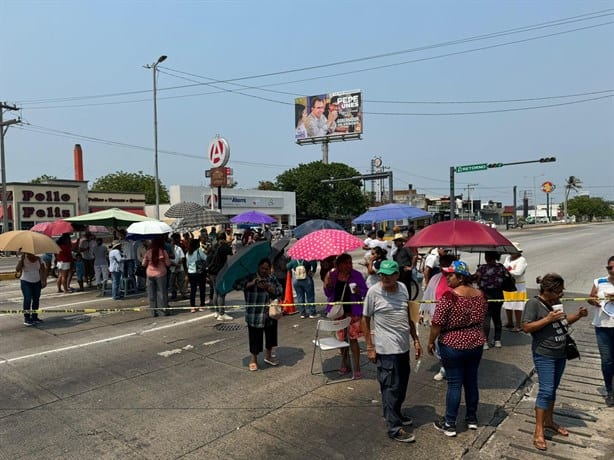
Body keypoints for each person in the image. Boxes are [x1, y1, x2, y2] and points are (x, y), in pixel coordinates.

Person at [522, 273, 588, 451]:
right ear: (547, 290)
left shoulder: (555, 303)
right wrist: (547, 319)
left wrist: (578, 315)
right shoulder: (534, 303)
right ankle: (538, 431)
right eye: (558, 291)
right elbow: (526, 327)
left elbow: (563, 323)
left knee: (552, 389)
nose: (561, 295)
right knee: (545, 390)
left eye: (562, 291)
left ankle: (549, 421)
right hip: (544, 354)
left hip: (560, 353)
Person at [362, 260, 422, 443]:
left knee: (401, 385)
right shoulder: (373, 292)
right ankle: (395, 428)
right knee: (391, 387)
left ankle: (394, 413)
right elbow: (365, 320)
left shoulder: (403, 288)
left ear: (397, 275)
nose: (385, 277)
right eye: (382, 274)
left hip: (402, 347)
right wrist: (370, 347)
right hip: (385, 350)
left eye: (389, 274)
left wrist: (416, 339)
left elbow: (408, 316)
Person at [428, 260, 488, 438]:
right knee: (471, 381)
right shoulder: (480, 295)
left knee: (454, 383)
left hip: (453, 343)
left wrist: (431, 341)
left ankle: (450, 423)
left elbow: (436, 324)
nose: (447, 278)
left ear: (461, 277)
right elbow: (483, 315)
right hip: (475, 342)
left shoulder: (449, 297)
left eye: (450, 275)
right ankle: (471, 418)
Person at [324, 253, 368, 379]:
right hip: (339, 313)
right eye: (346, 263)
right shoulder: (333, 275)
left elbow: (366, 291)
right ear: (339, 265)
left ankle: (357, 367)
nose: (349, 265)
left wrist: (359, 291)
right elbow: (328, 293)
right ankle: (345, 363)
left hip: (353, 312)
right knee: (341, 340)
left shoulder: (356, 275)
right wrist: (328, 284)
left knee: (353, 340)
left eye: (350, 262)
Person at [419, 253, 456, 381]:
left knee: (452, 345)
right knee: (439, 344)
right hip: (437, 316)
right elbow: (428, 295)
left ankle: (453, 369)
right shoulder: (435, 278)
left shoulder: (459, 279)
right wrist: (422, 312)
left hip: (454, 319)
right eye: (442, 264)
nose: (443, 267)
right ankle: (443, 367)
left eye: (447, 265)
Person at [243, 258, 283, 371]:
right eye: (262, 268)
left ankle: (269, 356)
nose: (265, 271)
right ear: (258, 267)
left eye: (267, 268)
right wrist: (253, 283)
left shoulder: (271, 278)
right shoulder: (251, 276)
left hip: (269, 313)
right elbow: (239, 286)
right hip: (254, 314)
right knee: (255, 337)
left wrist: (269, 288)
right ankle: (253, 359)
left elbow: (280, 290)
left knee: (271, 335)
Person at [587, 256, 614, 407]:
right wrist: (594, 301)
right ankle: (609, 390)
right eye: (609, 268)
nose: (612, 270)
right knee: (607, 360)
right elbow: (590, 298)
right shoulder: (599, 281)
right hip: (603, 326)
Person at [476, 251, 508, 349]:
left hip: (486, 294)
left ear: (486, 257)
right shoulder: (501, 267)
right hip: (498, 294)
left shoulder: (482, 268)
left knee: (486, 317)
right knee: (497, 317)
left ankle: (485, 341)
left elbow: (476, 279)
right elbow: (506, 278)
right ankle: (497, 340)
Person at [141, 236, 171, 317]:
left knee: (151, 294)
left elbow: (143, 264)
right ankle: (163, 312)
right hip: (161, 274)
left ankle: (153, 312)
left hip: (150, 274)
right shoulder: (163, 251)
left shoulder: (148, 252)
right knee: (161, 293)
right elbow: (168, 264)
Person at [16, 252, 47, 326]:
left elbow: (43, 270)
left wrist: (43, 280)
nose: (30, 254)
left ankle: (34, 317)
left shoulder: (39, 259)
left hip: (37, 282)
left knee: (36, 299)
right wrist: (21, 260)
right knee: (28, 299)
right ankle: (27, 318)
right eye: (28, 253)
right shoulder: (23, 258)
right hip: (26, 281)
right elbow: (17, 269)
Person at [502, 243, 528, 332]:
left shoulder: (522, 260)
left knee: (518, 306)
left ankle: (518, 325)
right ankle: (510, 322)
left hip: (518, 285)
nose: (511, 253)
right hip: (508, 284)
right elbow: (504, 267)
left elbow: (518, 273)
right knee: (508, 304)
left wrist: (507, 272)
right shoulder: (508, 258)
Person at [208, 232, 234, 321]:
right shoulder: (225, 247)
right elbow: (231, 257)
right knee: (221, 293)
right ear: (224, 237)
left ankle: (216, 312)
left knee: (216, 291)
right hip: (221, 272)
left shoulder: (213, 246)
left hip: (212, 272)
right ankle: (221, 313)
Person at [392, 233, 417, 299]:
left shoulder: (405, 248)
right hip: (399, 270)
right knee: (400, 286)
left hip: (405, 269)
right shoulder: (397, 251)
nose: (395, 243)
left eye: (396, 241)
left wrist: (411, 267)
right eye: (395, 241)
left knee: (406, 286)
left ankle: (408, 300)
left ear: (400, 241)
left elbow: (414, 256)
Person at [186, 238, 207, 313]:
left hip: (191, 273)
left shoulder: (188, 253)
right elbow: (205, 258)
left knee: (193, 290)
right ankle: (202, 305)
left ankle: (192, 306)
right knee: (202, 289)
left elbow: (187, 264)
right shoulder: (199, 251)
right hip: (199, 272)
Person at [169, 234, 187, 301]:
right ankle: (174, 294)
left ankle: (183, 294)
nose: (172, 242)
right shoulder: (168, 249)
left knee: (181, 281)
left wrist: (178, 265)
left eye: (172, 241)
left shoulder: (178, 248)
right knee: (172, 283)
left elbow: (182, 257)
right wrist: (174, 265)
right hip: (171, 268)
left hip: (180, 268)